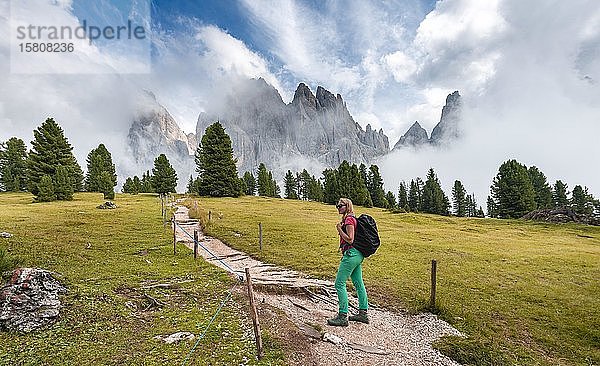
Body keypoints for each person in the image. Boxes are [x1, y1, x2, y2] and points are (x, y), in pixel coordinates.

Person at [327, 197, 369, 326]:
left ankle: (342, 316)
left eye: (341, 206)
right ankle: (363, 313)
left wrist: (339, 229)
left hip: (351, 254)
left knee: (339, 284)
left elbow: (350, 239)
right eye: (337, 206)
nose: (338, 208)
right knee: (358, 283)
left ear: (347, 206)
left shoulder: (349, 219)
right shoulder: (350, 219)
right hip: (357, 255)